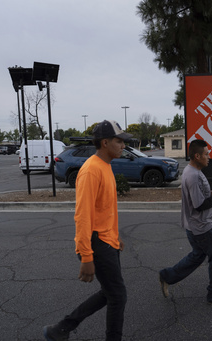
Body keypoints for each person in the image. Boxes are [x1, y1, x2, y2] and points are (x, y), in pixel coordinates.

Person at [43, 120, 129, 341]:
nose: (123, 146)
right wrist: (86, 256)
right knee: (117, 296)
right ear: (105, 142)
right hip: (97, 243)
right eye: (119, 141)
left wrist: (116, 237)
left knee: (110, 293)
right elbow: (83, 216)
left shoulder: (106, 165)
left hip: (108, 242)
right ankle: (63, 328)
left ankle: (61, 329)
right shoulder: (91, 170)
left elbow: (105, 210)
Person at [159, 139, 212, 306]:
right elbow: (199, 205)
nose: (209, 157)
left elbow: (199, 197)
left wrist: (211, 193)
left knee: (197, 257)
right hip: (203, 227)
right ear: (197, 156)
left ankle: (167, 276)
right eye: (206, 154)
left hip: (193, 226)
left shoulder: (192, 170)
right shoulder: (193, 175)